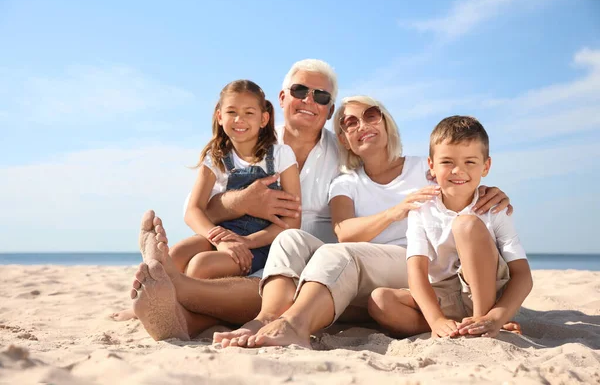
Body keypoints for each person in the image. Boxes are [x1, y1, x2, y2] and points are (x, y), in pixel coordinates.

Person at [121, 60, 512, 342]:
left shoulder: (369, 158)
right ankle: (176, 313)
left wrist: (487, 192)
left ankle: (181, 295)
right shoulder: (255, 138)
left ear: (327, 111)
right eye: (300, 91)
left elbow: (456, 176)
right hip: (273, 244)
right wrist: (242, 202)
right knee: (197, 250)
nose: (309, 100)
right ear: (281, 97)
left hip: (337, 260)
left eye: (321, 96)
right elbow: (207, 209)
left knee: (229, 267)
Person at [214, 96, 514, 349]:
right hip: (362, 268)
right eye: (350, 122)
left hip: (419, 263)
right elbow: (344, 232)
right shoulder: (345, 183)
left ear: (386, 123)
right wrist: (395, 212)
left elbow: (463, 181)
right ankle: (265, 318)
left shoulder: (424, 166)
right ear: (344, 139)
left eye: (371, 115)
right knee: (290, 239)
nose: (363, 125)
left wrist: (493, 192)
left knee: (338, 254)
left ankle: (295, 326)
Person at [368, 115, 533, 338]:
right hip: (445, 296)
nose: (458, 170)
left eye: (470, 162)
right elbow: (416, 271)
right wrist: (436, 320)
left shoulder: (494, 207)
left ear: (486, 166)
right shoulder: (421, 209)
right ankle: (454, 327)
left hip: (490, 295)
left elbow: (523, 276)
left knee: (465, 225)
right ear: (431, 166)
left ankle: (482, 321)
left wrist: (496, 316)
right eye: (447, 162)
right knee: (380, 300)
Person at [171, 79, 300, 279]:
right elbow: (193, 211)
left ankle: (182, 304)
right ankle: (156, 304)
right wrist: (220, 240)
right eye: (232, 112)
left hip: (262, 243)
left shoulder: (281, 155)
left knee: (200, 266)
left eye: (249, 113)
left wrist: (246, 242)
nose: (239, 119)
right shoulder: (215, 157)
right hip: (224, 234)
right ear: (219, 116)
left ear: (263, 119)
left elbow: (293, 221)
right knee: (175, 255)